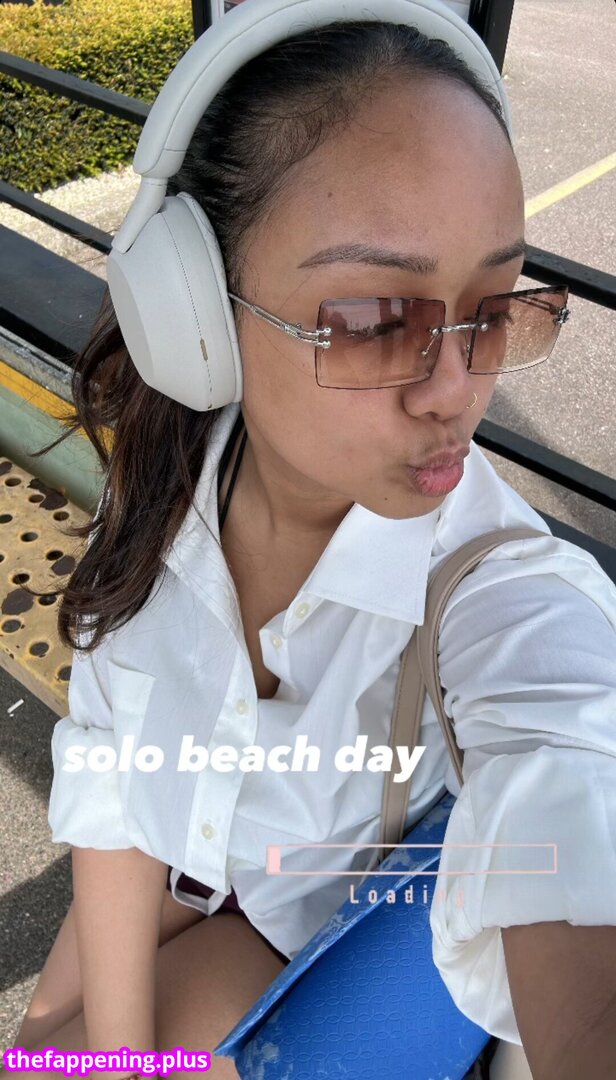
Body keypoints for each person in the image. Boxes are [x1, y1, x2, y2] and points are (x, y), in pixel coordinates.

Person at [6, 9, 616, 1080]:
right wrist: (114, 1055)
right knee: (44, 1060)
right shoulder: (163, 474)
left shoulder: (497, 586)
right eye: (375, 320)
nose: (454, 392)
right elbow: (115, 765)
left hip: (294, 924)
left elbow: (570, 750)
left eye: (492, 309)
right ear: (193, 310)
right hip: (157, 856)